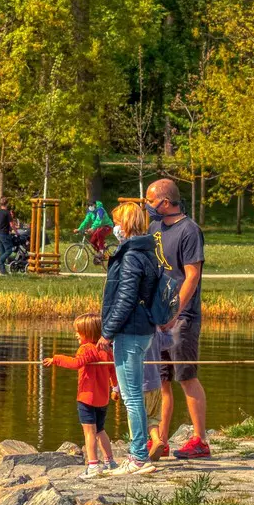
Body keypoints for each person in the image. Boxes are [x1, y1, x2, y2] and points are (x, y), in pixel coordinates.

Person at [145, 179, 209, 461]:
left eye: (150, 201)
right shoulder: (155, 228)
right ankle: (161, 440)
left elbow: (192, 275)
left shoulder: (189, 230)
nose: (147, 206)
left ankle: (200, 440)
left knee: (186, 377)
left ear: (165, 202)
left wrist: (175, 313)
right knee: (162, 381)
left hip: (182, 317)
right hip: (157, 318)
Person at [99, 200, 161, 473]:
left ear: (127, 224)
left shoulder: (133, 255)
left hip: (129, 331)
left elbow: (125, 299)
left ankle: (137, 456)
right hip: (141, 328)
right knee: (133, 393)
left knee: (131, 396)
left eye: (117, 223)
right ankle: (138, 453)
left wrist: (107, 333)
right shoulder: (145, 251)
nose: (115, 228)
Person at [42, 314, 117, 479]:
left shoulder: (86, 349)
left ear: (88, 333)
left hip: (86, 398)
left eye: (78, 332)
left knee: (89, 432)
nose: (75, 334)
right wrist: (116, 389)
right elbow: (113, 371)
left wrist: (56, 359)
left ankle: (93, 466)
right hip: (102, 399)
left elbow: (75, 364)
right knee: (100, 430)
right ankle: (110, 462)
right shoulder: (106, 349)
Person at [0, 197, 16, 275]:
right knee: (9, 249)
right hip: (4, 234)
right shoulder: (7, 212)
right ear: (7, 204)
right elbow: (11, 224)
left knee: (2, 252)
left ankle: (2, 270)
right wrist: (16, 232)